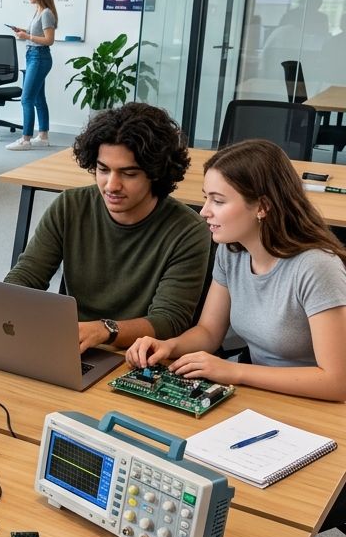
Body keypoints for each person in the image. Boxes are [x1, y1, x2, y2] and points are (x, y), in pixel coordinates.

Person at [126, 139, 346, 402]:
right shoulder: (231, 252)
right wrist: (168, 346)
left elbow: (335, 382)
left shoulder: (317, 267)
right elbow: (209, 332)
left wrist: (235, 371)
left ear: (262, 207)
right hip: (262, 395)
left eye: (218, 201)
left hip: (317, 406)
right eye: (205, 198)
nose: (204, 212)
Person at [5, 102, 211, 352]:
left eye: (129, 174)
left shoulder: (187, 231)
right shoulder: (70, 206)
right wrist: (2, 308)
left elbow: (169, 321)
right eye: (103, 170)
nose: (111, 185)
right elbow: (27, 275)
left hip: (139, 357)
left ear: (155, 173)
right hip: (77, 346)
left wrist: (106, 330)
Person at [6, 0, 57, 151]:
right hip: (33, 56)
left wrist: (27, 37)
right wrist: (25, 31)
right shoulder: (38, 11)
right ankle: (43, 136)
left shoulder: (47, 13)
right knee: (38, 98)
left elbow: (49, 40)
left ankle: (25, 139)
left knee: (26, 98)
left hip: (40, 57)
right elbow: (38, 34)